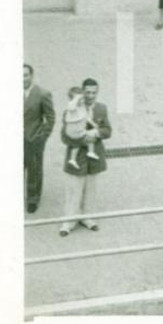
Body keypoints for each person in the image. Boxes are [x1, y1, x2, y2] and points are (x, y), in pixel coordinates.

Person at [59, 78, 111, 236]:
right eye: (87, 92)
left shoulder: (101, 109)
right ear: (82, 93)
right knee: (74, 190)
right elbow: (64, 136)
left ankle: (87, 218)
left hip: (94, 158)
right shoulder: (72, 110)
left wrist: (96, 133)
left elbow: (107, 130)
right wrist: (83, 139)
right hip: (77, 158)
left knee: (91, 189)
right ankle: (69, 222)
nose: (90, 96)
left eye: (94, 92)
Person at [23, 63, 55, 214]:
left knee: (34, 171)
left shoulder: (43, 94)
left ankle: (33, 199)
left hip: (33, 139)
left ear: (31, 76)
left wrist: (42, 137)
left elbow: (50, 117)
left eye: (25, 75)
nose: (22, 79)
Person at [62, 86, 100, 170]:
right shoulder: (72, 108)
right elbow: (71, 106)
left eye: (82, 99)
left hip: (76, 132)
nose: (82, 101)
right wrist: (77, 98)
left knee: (76, 146)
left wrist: (93, 124)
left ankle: (72, 159)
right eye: (80, 99)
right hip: (76, 132)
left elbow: (87, 117)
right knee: (92, 135)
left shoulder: (81, 107)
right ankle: (90, 152)